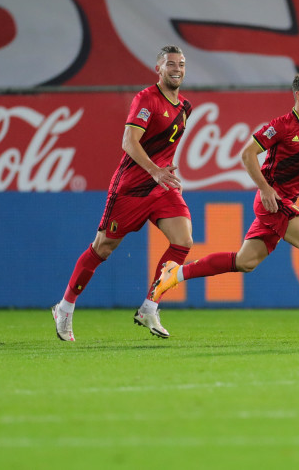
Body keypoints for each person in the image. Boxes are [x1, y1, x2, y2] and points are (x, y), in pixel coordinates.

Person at [148, 70, 299, 336]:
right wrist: (265, 189)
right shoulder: (281, 125)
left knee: (245, 262)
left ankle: (175, 274)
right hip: (273, 200)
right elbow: (247, 154)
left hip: (284, 200)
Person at [51, 45, 194, 341]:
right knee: (102, 248)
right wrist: (154, 170)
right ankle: (64, 307)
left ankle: (150, 307)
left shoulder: (184, 107)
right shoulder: (146, 99)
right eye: (170, 64)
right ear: (158, 68)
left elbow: (163, 144)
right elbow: (129, 142)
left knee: (183, 241)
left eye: (181, 64)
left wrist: (164, 172)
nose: (177, 69)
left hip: (161, 187)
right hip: (131, 188)